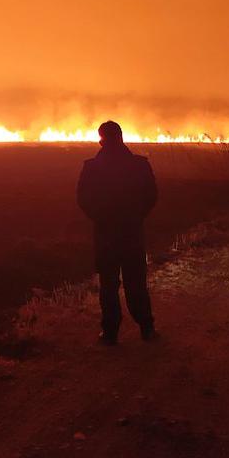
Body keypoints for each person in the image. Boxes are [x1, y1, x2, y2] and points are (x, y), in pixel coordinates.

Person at [77, 121, 157, 345]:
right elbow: (151, 196)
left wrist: (100, 218)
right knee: (136, 282)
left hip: (106, 235)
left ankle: (110, 332)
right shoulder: (139, 165)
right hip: (131, 233)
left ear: (101, 139)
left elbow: (83, 199)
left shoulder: (92, 167)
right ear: (121, 137)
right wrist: (136, 216)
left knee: (109, 285)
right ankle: (147, 328)